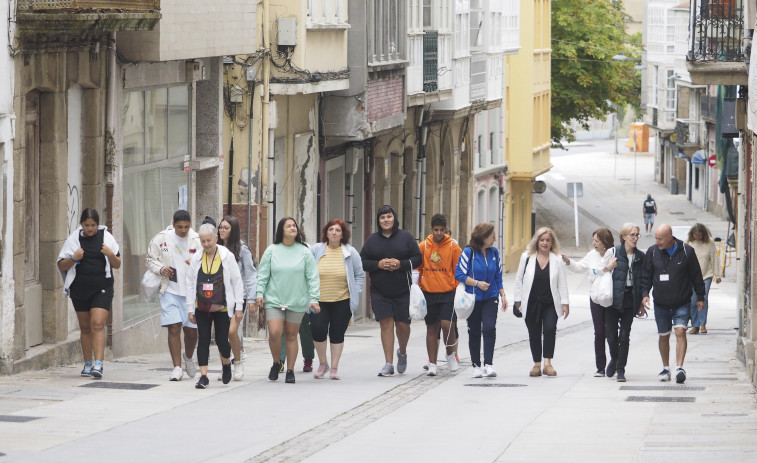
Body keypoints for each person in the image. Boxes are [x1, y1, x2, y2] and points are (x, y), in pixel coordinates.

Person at [57, 208, 121, 379]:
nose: (90, 228)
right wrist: (75, 258)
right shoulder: (74, 240)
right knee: (85, 328)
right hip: (80, 289)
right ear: (82, 224)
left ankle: (98, 364)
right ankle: (87, 364)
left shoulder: (106, 238)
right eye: (87, 225)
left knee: (98, 324)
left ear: (97, 224)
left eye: (93, 225)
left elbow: (117, 264)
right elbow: (62, 265)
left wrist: (109, 254)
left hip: (102, 288)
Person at [256, 217, 321, 384]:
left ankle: (290, 370)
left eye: (294, 225)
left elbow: (313, 277)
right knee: (275, 333)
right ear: (281, 230)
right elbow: (263, 274)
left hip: (296, 300)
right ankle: (277, 363)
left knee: (292, 335)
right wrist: (259, 293)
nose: (293, 228)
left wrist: (314, 298)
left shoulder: (305, 251)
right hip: (274, 299)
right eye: (288, 226)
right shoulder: (272, 250)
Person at [360, 205, 422, 377]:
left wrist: (400, 264)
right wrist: (378, 264)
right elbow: (363, 261)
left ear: (394, 218)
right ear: (378, 221)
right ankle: (388, 363)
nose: (386, 220)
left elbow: (418, 258)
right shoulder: (372, 240)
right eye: (382, 218)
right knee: (385, 324)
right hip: (380, 291)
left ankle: (402, 352)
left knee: (403, 325)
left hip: (403, 290)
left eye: (388, 216)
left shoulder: (406, 238)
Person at [641, 224, 706, 384]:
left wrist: (700, 297)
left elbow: (696, 275)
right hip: (661, 303)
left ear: (670, 237)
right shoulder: (652, 251)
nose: (657, 242)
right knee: (663, 335)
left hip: (681, 301)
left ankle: (679, 368)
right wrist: (644, 294)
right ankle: (665, 368)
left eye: (660, 239)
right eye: (656, 238)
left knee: (680, 332)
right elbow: (646, 275)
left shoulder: (686, 251)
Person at [186, 223, 244, 389]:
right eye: (203, 241)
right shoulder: (197, 258)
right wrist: (190, 309)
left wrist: (239, 307)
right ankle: (203, 376)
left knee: (221, 341)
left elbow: (236, 281)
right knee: (203, 340)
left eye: (209, 240)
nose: (206, 244)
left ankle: (226, 363)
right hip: (202, 307)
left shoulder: (227, 256)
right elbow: (190, 283)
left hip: (222, 307)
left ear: (216, 238)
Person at [145, 210, 201, 382]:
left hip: (191, 293)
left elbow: (207, 258)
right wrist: (161, 269)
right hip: (169, 289)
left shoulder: (197, 239)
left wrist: (195, 264)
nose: (183, 230)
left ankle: (189, 357)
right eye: (179, 227)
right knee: (174, 327)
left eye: (186, 227)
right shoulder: (161, 239)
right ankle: (176, 367)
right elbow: (149, 259)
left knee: (191, 332)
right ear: (173, 224)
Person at [310, 219, 365, 379]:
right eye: (331, 230)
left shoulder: (350, 252)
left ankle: (334, 368)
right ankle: (322, 363)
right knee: (317, 330)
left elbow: (359, 275)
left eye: (338, 230)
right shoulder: (316, 249)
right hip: (318, 300)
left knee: (337, 333)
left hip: (342, 300)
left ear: (343, 234)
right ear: (326, 232)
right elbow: (308, 271)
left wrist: (356, 291)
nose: (334, 232)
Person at [513, 227, 569, 377]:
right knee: (534, 332)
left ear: (552, 242)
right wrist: (517, 300)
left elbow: (562, 282)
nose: (544, 243)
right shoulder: (526, 257)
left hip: (550, 302)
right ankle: (536, 364)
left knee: (550, 329)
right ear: (537, 241)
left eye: (548, 240)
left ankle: (547, 363)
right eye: (542, 240)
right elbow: (518, 280)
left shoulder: (557, 259)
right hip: (531, 302)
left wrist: (565, 303)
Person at [562, 228, 617, 377]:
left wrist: (604, 269)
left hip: (611, 298)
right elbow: (580, 267)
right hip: (595, 298)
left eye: (596, 241)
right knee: (599, 331)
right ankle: (600, 367)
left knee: (611, 332)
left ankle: (615, 360)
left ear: (605, 242)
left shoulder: (614, 254)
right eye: (593, 240)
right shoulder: (591, 255)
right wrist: (568, 261)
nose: (593, 243)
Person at [455, 223, 507, 378]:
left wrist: (502, 294)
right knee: (475, 331)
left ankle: (489, 365)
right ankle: (476, 366)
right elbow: (459, 274)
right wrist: (477, 283)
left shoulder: (494, 253)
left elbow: (498, 275)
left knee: (490, 328)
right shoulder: (468, 252)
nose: (494, 239)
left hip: (491, 297)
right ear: (483, 237)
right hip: (473, 298)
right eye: (492, 236)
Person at [417, 214, 463, 376]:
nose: (438, 233)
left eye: (441, 230)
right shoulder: (423, 246)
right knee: (431, 328)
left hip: (448, 292)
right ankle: (433, 363)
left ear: (445, 230)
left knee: (447, 325)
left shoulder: (452, 246)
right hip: (429, 292)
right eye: (435, 230)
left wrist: (457, 288)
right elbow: (418, 268)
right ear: (431, 229)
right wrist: (418, 286)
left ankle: (450, 354)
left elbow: (459, 269)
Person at [217, 216, 257, 380]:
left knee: (233, 331)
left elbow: (250, 274)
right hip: (219, 297)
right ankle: (226, 366)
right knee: (222, 333)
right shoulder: (216, 248)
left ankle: (238, 363)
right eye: (220, 227)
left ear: (233, 230)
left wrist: (252, 298)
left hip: (239, 297)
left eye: (226, 228)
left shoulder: (242, 250)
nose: (222, 231)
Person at [606, 223, 646, 382]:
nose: (635, 238)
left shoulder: (641, 257)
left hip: (631, 298)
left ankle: (621, 369)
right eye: (632, 235)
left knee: (624, 335)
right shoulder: (613, 252)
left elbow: (644, 280)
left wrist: (642, 301)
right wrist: (609, 267)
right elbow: (600, 272)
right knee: (611, 336)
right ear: (624, 237)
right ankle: (615, 360)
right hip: (612, 298)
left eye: (637, 235)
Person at [685, 223, 722, 334]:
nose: (698, 237)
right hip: (692, 276)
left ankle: (702, 324)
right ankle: (695, 325)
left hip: (706, 274)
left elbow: (714, 258)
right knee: (693, 300)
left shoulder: (709, 242)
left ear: (703, 234)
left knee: (703, 298)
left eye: (700, 235)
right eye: (696, 235)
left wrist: (717, 274)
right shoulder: (689, 242)